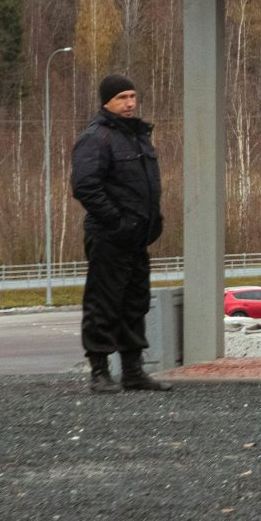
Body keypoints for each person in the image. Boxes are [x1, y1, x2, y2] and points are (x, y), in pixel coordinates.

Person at [70, 73, 171, 393]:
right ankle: (99, 371)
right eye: (122, 98)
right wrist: (117, 222)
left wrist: (151, 222)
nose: (129, 103)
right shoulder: (96, 137)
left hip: (137, 238)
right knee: (104, 303)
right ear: (107, 102)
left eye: (132, 96)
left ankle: (132, 371)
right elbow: (85, 186)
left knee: (135, 303)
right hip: (109, 237)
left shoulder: (139, 136)